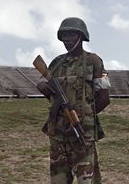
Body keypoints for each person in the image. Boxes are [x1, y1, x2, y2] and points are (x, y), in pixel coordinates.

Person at [37, 17, 110, 184]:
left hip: (82, 131)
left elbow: (104, 98)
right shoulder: (56, 63)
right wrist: (42, 86)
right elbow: (48, 88)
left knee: (86, 178)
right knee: (58, 178)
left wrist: (82, 116)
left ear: (82, 36)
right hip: (58, 132)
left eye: (72, 35)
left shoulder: (93, 61)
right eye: (64, 36)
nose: (68, 40)